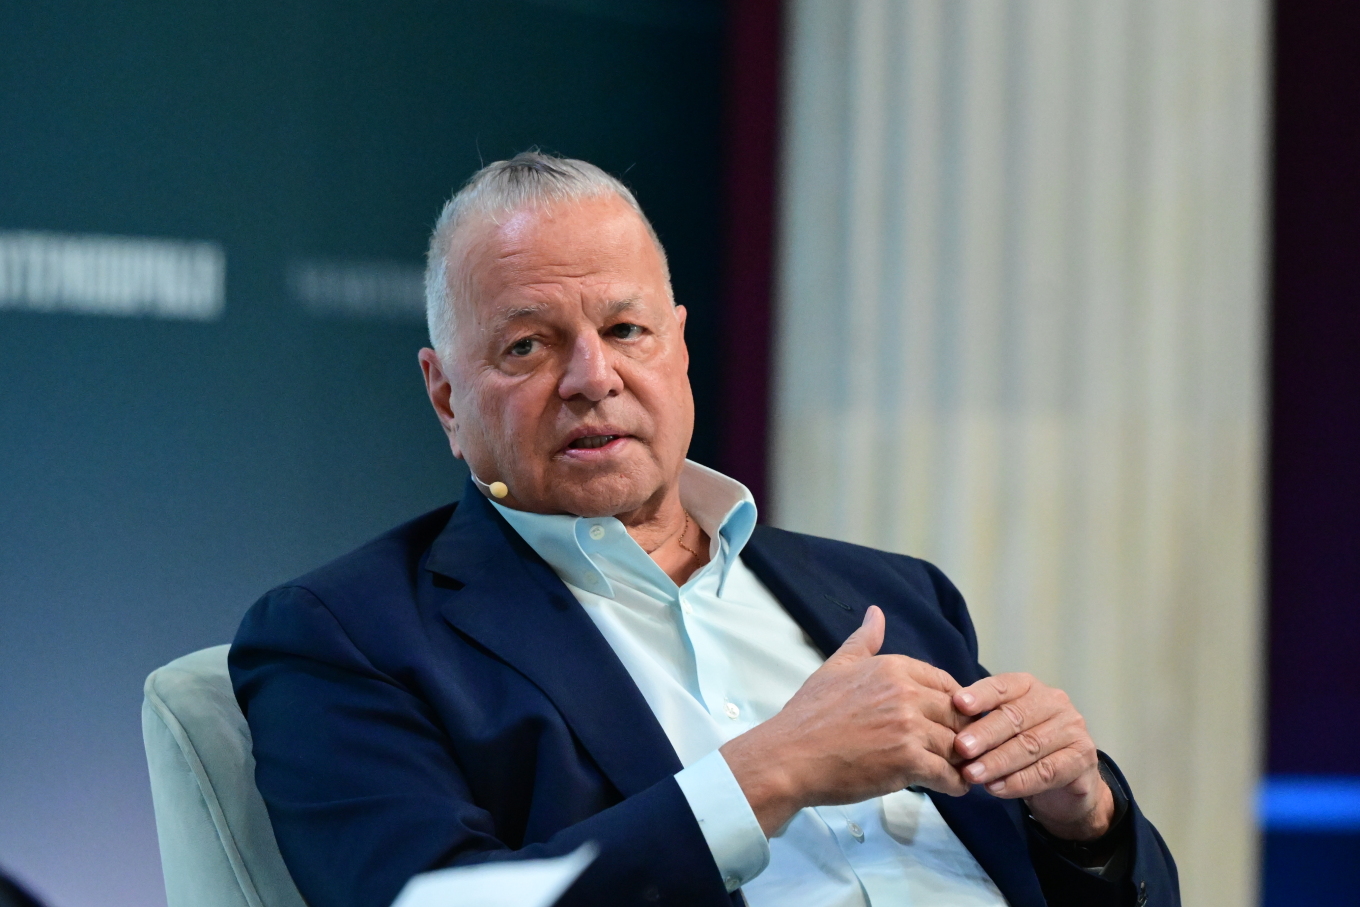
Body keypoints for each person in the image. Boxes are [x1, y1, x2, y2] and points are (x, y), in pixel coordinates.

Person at [231, 153, 1178, 907]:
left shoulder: (894, 593)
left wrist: (1085, 821)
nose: (592, 377)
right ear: (445, 395)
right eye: (528, 345)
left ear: (678, 347)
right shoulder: (349, 635)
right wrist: (772, 770)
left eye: (626, 330)